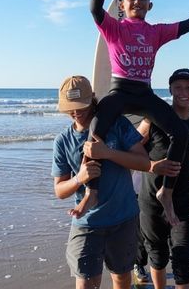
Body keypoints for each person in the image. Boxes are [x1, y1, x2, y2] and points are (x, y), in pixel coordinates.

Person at [76, 0, 189, 225]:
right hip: (119, 91)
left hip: (144, 93)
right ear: (122, 5)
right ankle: (91, 191)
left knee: (181, 133)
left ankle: (165, 192)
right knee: (95, 132)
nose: (138, 2)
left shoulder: (156, 32)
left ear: (150, 5)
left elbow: (187, 25)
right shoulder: (113, 28)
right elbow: (94, 8)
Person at [52, 75, 155, 289]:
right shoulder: (63, 141)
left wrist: (108, 153)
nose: (76, 112)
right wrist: (79, 178)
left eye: (81, 106)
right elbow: (60, 191)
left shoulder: (117, 124)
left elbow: (144, 163)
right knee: (86, 284)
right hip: (86, 223)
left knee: (121, 278)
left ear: (92, 98)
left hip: (123, 217)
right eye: (70, 108)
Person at [137, 68, 189, 289]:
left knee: (185, 259)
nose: (184, 92)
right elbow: (132, 149)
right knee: (157, 256)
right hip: (151, 201)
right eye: (178, 87)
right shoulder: (152, 119)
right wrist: (152, 166)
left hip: (184, 202)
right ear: (170, 89)